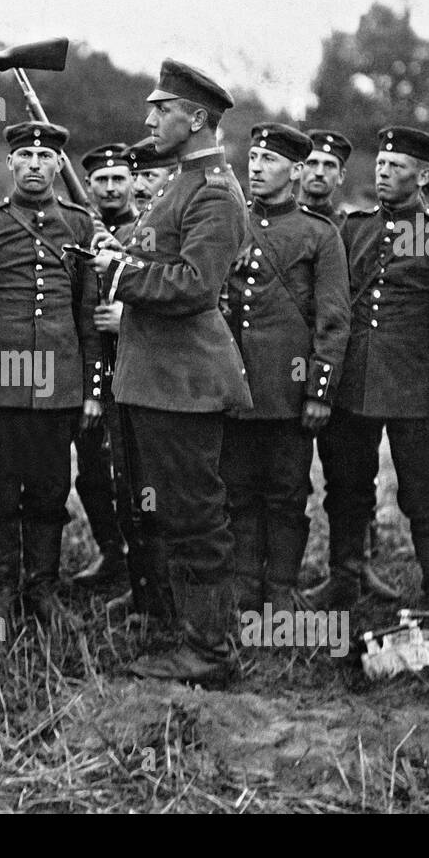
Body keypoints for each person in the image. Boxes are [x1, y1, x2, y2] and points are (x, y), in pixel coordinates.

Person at [89, 58, 252, 685]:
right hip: (155, 382)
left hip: (184, 386)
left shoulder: (213, 191)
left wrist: (117, 274)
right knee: (168, 512)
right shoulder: (181, 182)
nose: (149, 119)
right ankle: (186, 625)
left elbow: (193, 284)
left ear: (198, 119)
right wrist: (119, 255)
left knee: (194, 517)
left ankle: (210, 651)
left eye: (162, 110)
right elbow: (163, 260)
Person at [311, 126, 429, 610]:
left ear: (422, 176)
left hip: (413, 388)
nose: (383, 174)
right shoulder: (354, 226)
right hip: (354, 382)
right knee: (346, 487)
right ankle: (346, 578)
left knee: (423, 495)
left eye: (396, 167)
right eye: (380, 165)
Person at [0, 121, 101, 628]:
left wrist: (91, 388)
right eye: (26, 156)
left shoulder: (80, 224)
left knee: (49, 492)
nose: (36, 166)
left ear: (57, 166)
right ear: (10, 164)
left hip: (57, 383)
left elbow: (87, 313)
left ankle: (43, 589)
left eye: (46, 158)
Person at [221, 123, 349, 613]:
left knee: (287, 495)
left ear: (296, 171)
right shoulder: (231, 222)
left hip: (288, 391)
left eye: (269, 160)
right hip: (236, 388)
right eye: (252, 157)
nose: (255, 167)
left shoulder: (319, 235)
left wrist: (319, 392)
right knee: (237, 492)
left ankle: (280, 590)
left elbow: (334, 320)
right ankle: (244, 584)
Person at [69, 142, 137, 587]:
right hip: (87, 374)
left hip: (136, 375)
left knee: (133, 478)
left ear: (133, 184)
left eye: (119, 179)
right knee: (91, 475)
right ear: (89, 187)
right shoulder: (76, 231)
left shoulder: (150, 232)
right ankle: (112, 553)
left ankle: (141, 564)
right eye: (102, 181)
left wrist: (127, 321)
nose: (111, 188)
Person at [300, 130, 352, 227]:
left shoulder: (347, 229)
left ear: (341, 176)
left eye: (329, 165)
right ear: (298, 169)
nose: (319, 173)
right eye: (312, 163)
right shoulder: (278, 218)